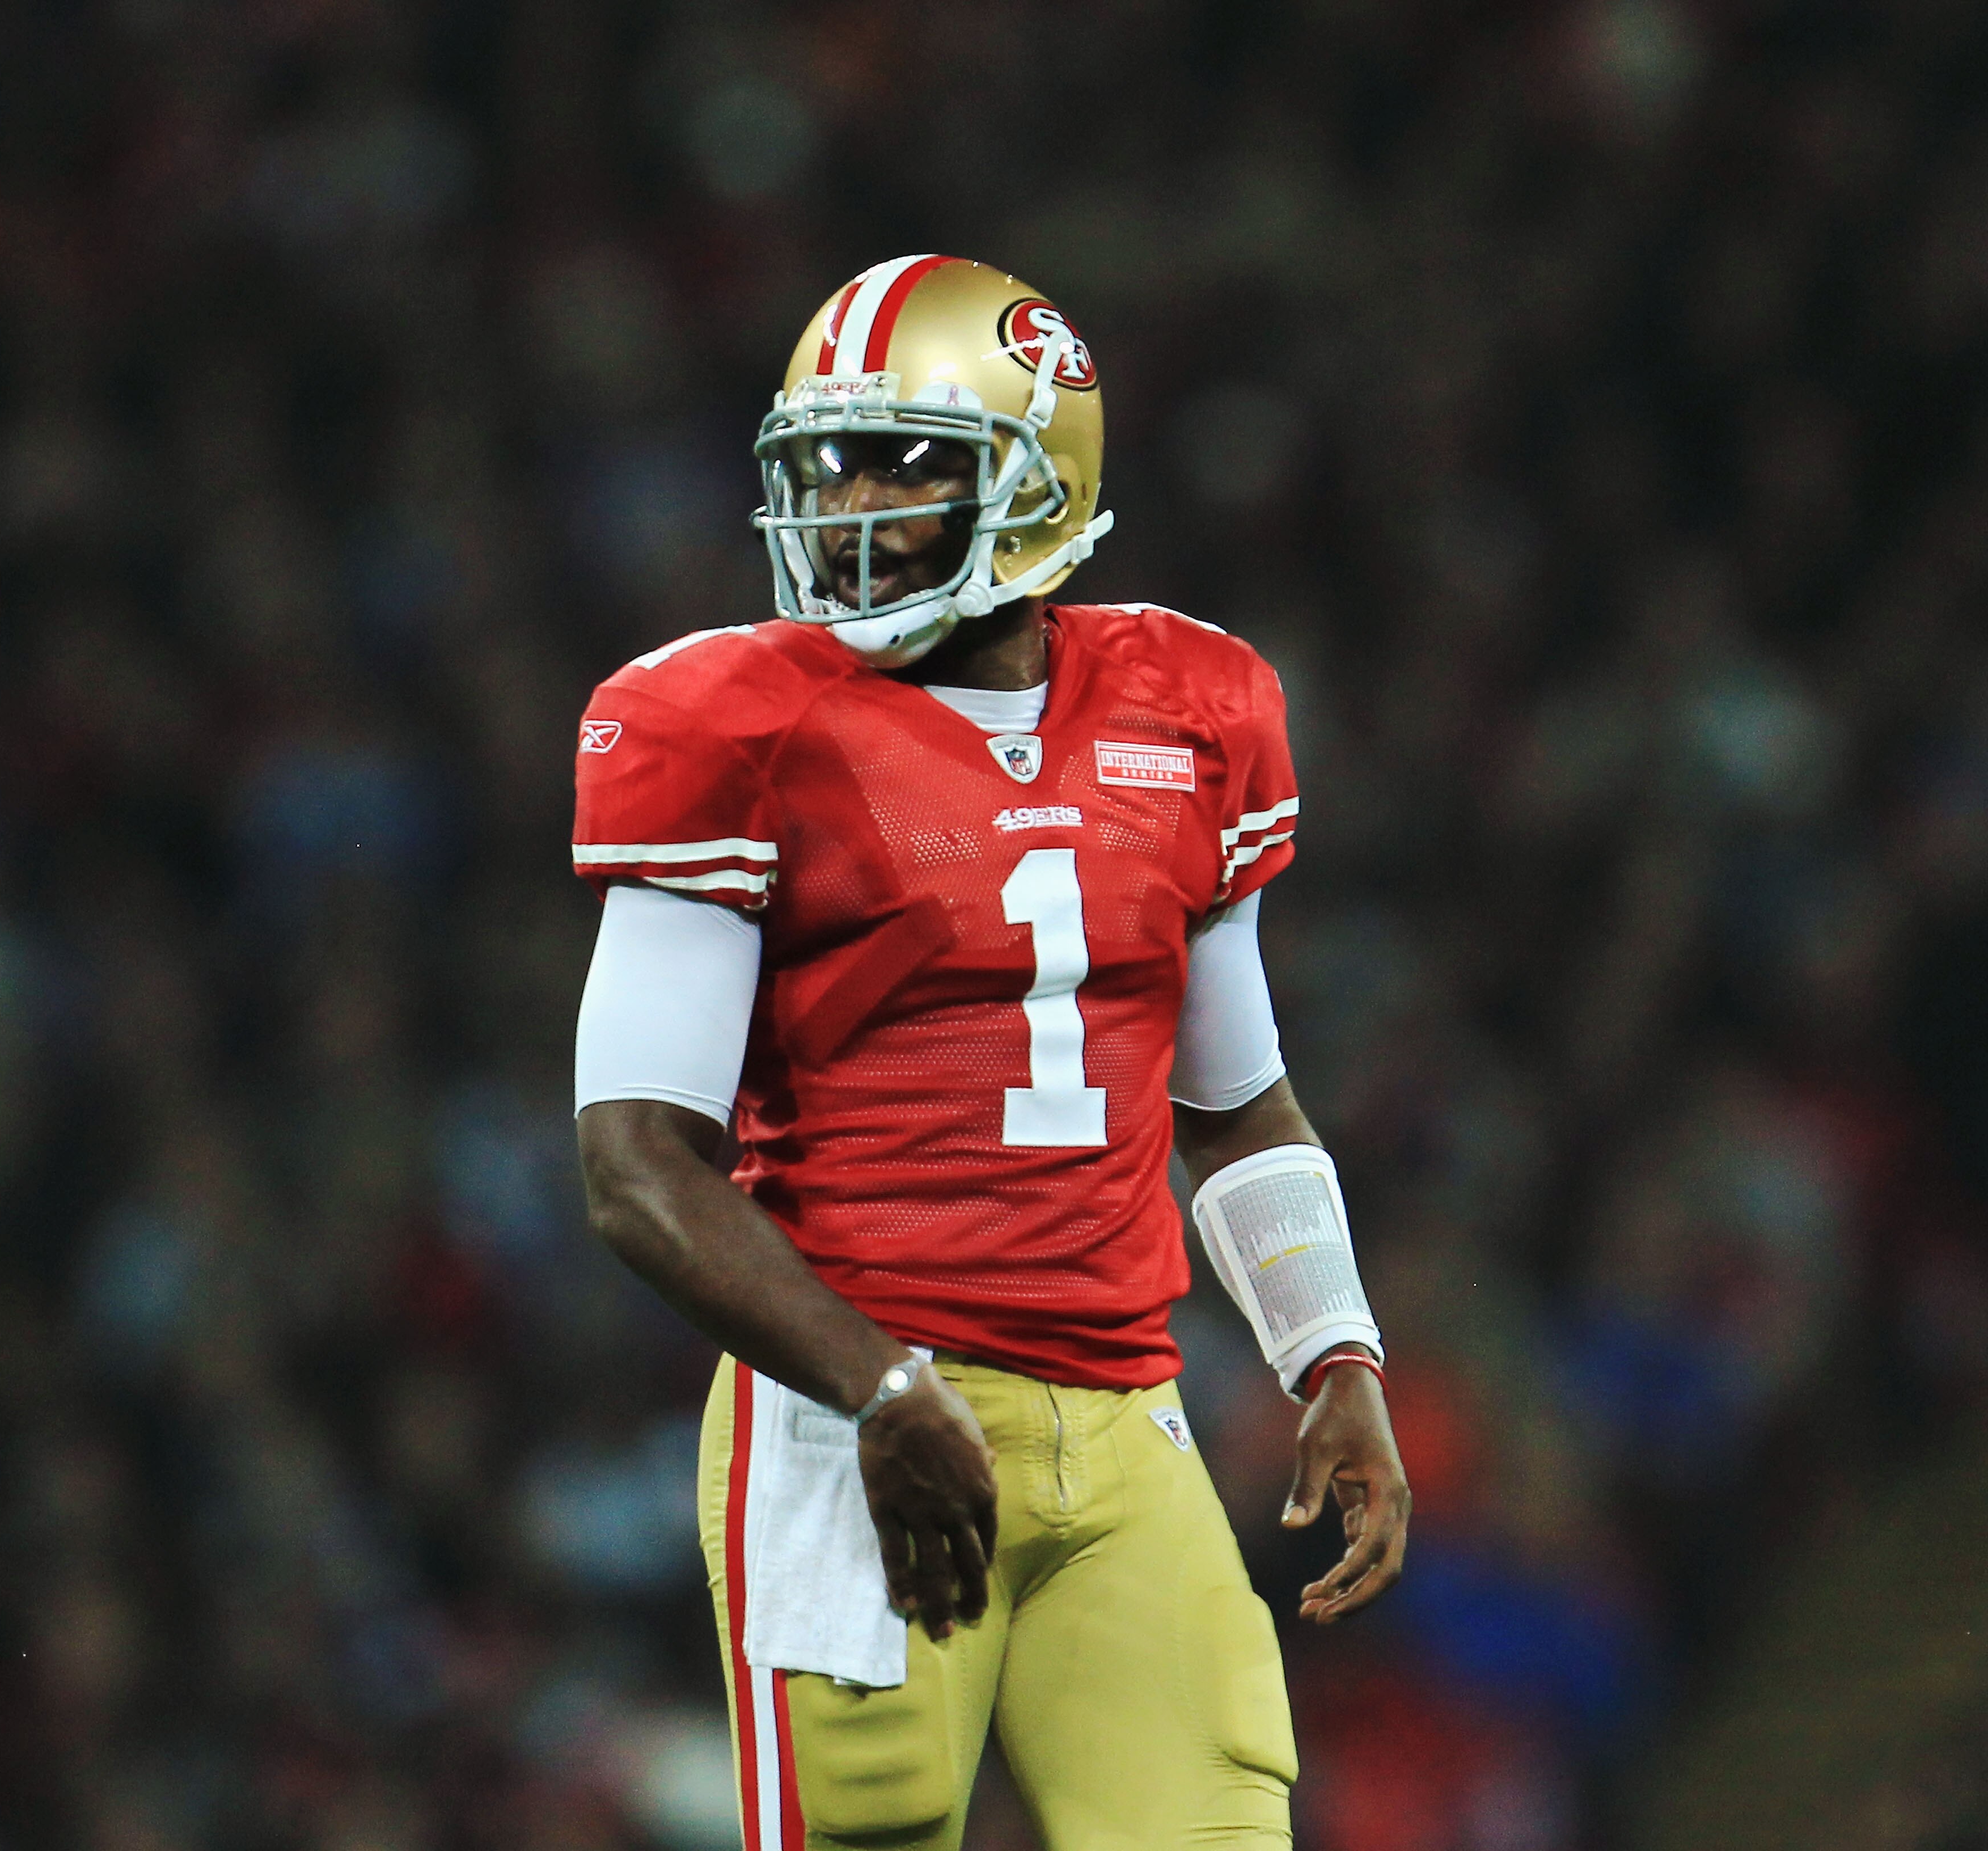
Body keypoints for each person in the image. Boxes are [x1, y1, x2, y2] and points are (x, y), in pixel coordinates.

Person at [570, 256, 1409, 1850]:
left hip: (1126, 1414)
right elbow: (633, 1166)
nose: (857, 503)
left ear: (1037, 478)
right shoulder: (726, 725)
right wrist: (879, 1389)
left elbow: (1235, 1109)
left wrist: (1333, 1353)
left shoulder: (1193, 706)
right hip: (846, 1429)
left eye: (909, 461)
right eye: (836, 462)